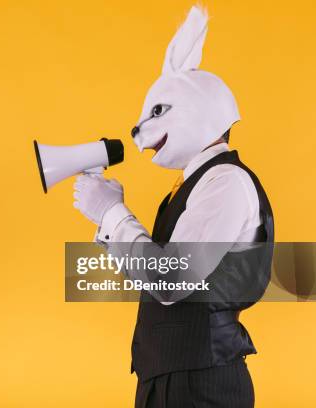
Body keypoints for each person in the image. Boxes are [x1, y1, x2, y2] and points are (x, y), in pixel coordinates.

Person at [72, 6, 274, 408]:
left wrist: (114, 214)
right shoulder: (196, 185)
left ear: (204, 109)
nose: (137, 130)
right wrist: (108, 219)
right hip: (173, 377)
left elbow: (170, 280)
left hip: (199, 384)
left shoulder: (225, 182)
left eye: (158, 112)